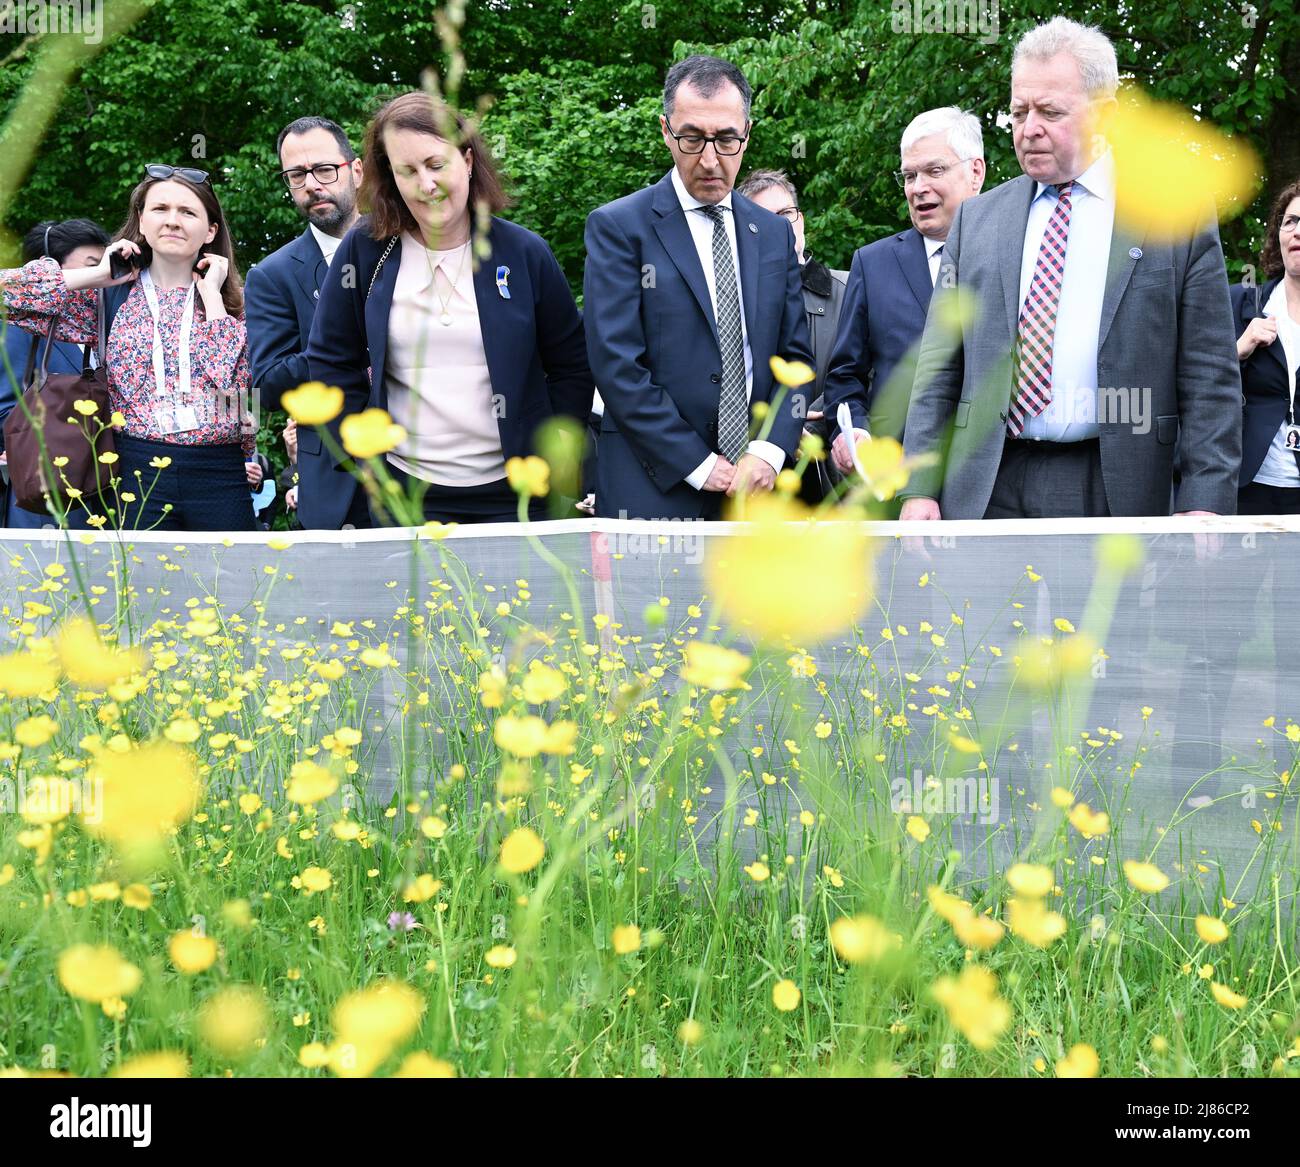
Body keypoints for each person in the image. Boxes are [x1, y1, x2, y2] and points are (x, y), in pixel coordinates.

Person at [899, 17, 1241, 520]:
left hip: (1118, 482)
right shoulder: (977, 219)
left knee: (1107, 605)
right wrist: (919, 488)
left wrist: (1205, 500)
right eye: (1018, 112)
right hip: (989, 483)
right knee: (983, 604)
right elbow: (939, 365)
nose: (1028, 128)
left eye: (1050, 111)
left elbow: (1210, 371)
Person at [307, 91, 594, 525]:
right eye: (407, 171)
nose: (426, 185)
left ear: (468, 160)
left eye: (436, 165)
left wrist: (553, 445)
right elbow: (330, 360)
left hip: (519, 496)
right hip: (404, 494)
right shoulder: (364, 251)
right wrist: (358, 453)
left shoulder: (524, 252)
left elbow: (572, 365)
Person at [583, 55, 815, 521]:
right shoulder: (619, 227)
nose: (710, 160)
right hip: (652, 485)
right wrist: (699, 464)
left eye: (727, 139)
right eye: (692, 138)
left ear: (746, 134)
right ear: (666, 131)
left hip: (758, 492)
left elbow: (795, 359)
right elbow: (617, 365)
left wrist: (769, 451)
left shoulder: (772, 234)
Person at [0, 165, 257, 531]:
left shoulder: (238, 304)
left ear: (210, 230)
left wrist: (213, 299)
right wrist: (97, 275)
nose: (172, 221)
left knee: (230, 584)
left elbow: (237, 391)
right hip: (132, 465)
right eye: (160, 209)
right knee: (140, 587)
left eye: (187, 212)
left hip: (220, 472)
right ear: (141, 219)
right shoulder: (108, 299)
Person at [826, 107, 985, 469]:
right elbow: (843, 376)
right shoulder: (873, 263)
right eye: (909, 176)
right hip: (895, 480)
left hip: (991, 482)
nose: (918, 188)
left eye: (934, 170)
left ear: (975, 172)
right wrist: (854, 433)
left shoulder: (1015, 254)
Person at [245, 116, 369, 530]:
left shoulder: (410, 247)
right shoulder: (273, 275)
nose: (312, 184)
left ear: (356, 170)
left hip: (431, 469)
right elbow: (267, 384)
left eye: (324, 169)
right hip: (337, 481)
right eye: (297, 175)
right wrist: (345, 346)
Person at [737, 168, 846, 502]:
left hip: (831, 479)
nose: (782, 225)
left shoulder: (852, 289)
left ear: (801, 218)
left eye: (787, 213)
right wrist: (777, 431)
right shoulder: (734, 298)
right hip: (752, 477)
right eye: (767, 217)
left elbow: (866, 374)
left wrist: (806, 427)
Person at [2, 218, 109, 528]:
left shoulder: (98, 325)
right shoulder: (24, 327)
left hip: (100, 491)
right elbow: (6, 407)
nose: (101, 274)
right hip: (46, 495)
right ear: (48, 268)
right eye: (92, 264)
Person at [1232, 178, 1300, 514]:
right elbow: (1200, 384)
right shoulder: (1240, 303)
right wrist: (1238, 350)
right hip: (1248, 488)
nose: (1298, 231)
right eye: (1291, 221)